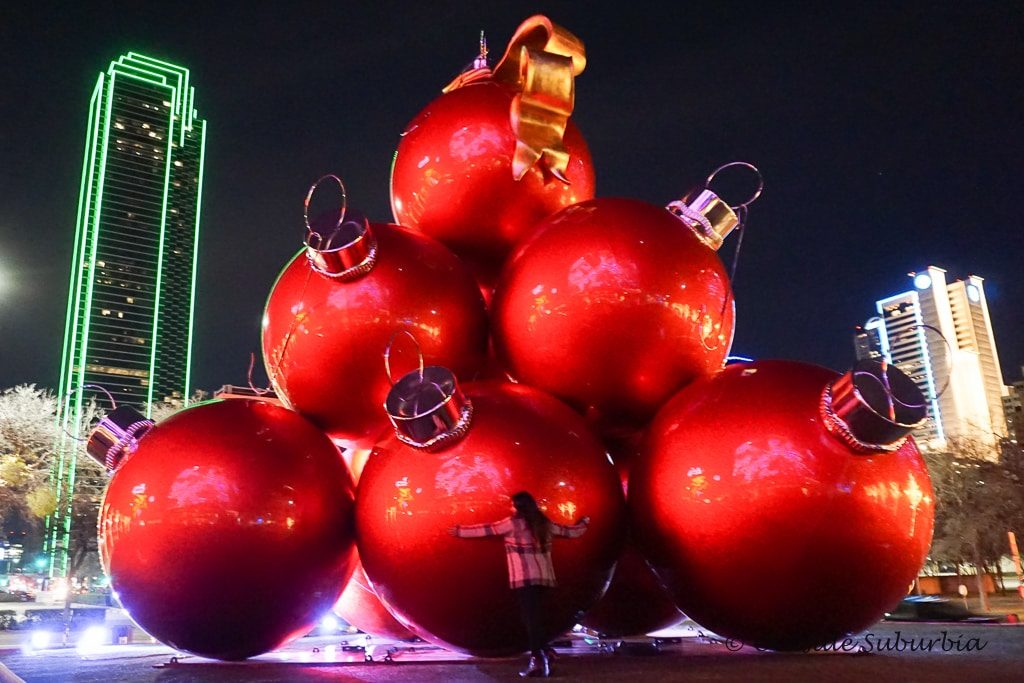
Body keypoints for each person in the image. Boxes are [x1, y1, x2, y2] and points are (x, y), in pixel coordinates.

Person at [450, 490, 590, 678]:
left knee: (531, 621)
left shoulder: (512, 524)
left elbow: (486, 529)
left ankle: (538, 659)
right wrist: (584, 523)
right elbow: (571, 532)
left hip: (524, 579)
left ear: (517, 507)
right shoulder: (544, 524)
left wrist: (458, 530)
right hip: (544, 579)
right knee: (538, 619)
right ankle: (546, 652)